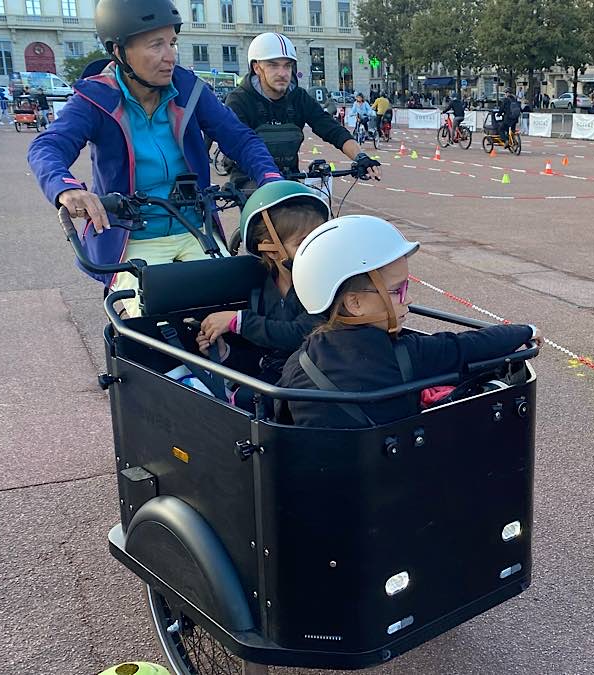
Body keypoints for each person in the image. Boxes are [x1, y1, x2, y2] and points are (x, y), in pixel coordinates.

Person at [27, 0, 284, 317]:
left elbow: (241, 139)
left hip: (194, 231)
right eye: (156, 44)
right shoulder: (96, 98)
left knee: (237, 307)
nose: (170, 55)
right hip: (132, 237)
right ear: (120, 51)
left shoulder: (190, 90)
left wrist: (272, 183)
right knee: (151, 324)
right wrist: (66, 188)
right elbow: (48, 146)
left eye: (173, 42)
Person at [277, 215, 541, 428]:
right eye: (397, 290)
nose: (408, 298)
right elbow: (467, 346)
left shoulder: (299, 362)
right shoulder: (405, 354)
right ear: (354, 303)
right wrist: (524, 331)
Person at [197, 181, 330, 409]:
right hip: (282, 376)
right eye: (303, 243)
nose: (314, 249)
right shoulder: (262, 289)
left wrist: (238, 321)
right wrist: (226, 353)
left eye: (319, 240)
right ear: (268, 247)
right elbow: (264, 356)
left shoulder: (323, 286)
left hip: (313, 378)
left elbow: (303, 333)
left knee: (244, 401)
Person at [224, 32, 379, 190]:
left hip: (289, 177)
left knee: (312, 210)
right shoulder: (239, 100)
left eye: (287, 65)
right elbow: (239, 145)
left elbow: (331, 129)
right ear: (257, 67)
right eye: (273, 65)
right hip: (250, 180)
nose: (283, 73)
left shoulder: (299, 97)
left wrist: (361, 157)